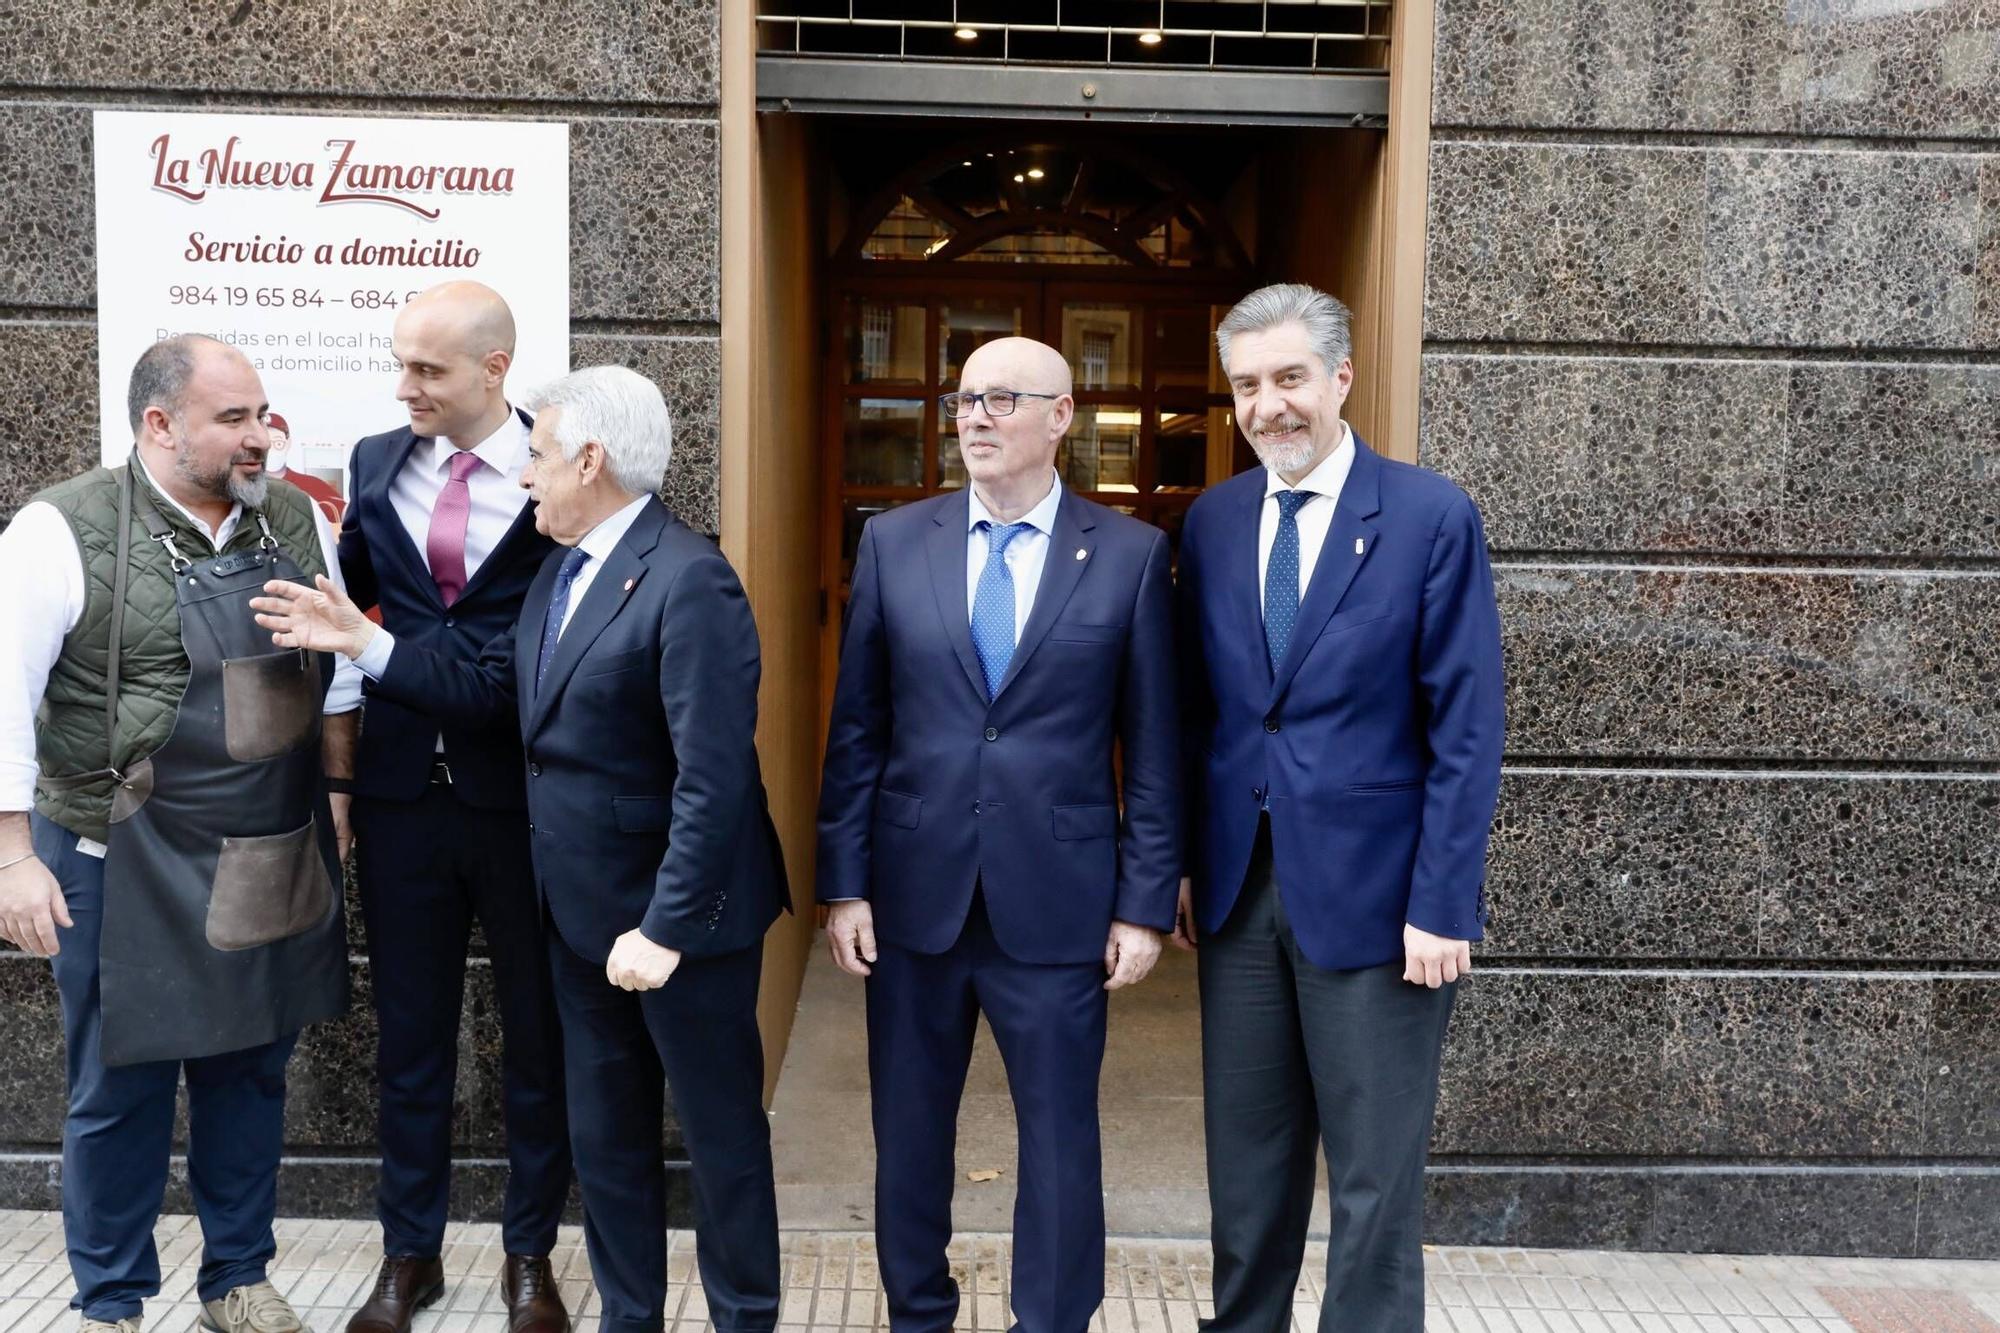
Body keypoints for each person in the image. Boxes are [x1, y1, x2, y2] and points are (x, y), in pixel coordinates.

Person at [250, 364, 790, 1333]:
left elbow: (715, 778)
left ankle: (744, 1317)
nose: (525, 477)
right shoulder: (558, 572)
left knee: (719, 1142)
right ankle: (630, 1316)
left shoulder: (690, 577)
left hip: (681, 925)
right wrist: (359, 643)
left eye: (537, 458)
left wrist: (664, 928)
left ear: (590, 460)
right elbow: (494, 694)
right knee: (609, 1142)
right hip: (576, 916)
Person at [815, 336, 1180, 1333]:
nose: (972, 417)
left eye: (1000, 400)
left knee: (1060, 1137)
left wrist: (1143, 904)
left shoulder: (1130, 556)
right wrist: (842, 885)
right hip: (911, 893)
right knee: (909, 1133)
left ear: (1060, 417)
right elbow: (856, 728)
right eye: (963, 399)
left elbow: (1152, 749)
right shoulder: (894, 541)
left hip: (1058, 903)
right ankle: (918, 1314)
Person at [0, 334, 360, 1333]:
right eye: (232, 419)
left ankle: (236, 1278)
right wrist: (13, 857)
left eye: (262, 414)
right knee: (119, 1088)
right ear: (160, 425)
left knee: (250, 1071)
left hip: (267, 844)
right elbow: (1, 700)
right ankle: (111, 1301)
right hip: (115, 852)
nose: (259, 437)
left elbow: (336, 667)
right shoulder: (58, 529)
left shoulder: (290, 515)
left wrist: (336, 784)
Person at [1173, 283, 1504, 1332]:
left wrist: (1442, 903)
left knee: (1370, 1181)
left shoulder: (1425, 515)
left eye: (1288, 379)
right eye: (1245, 385)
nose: (1268, 406)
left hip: (1380, 904)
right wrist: (1179, 866)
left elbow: (1465, 726)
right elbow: (1198, 716)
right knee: (1247, 1167)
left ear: (1340, 380)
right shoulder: (1214, 520)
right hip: (1236, 895)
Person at [325, 280, 573, 1333]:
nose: (405, 386)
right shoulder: (375, 464)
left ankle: (529, 1255)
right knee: (410, 1040)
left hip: (520, 796)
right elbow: (347, 612)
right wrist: (339, 781)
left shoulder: (556, 472)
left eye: (427, 369)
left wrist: (391, 654)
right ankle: (407, 1254)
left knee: (535, 1036)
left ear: (492, 370)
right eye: (401, 363)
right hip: (398, 801)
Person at [262, 413, 345, 523]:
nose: (270, 449)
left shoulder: (312, 485)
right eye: (265, 443)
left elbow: (347, 515)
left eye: (278, 443)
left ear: (288, 443)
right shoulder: (245, 489)